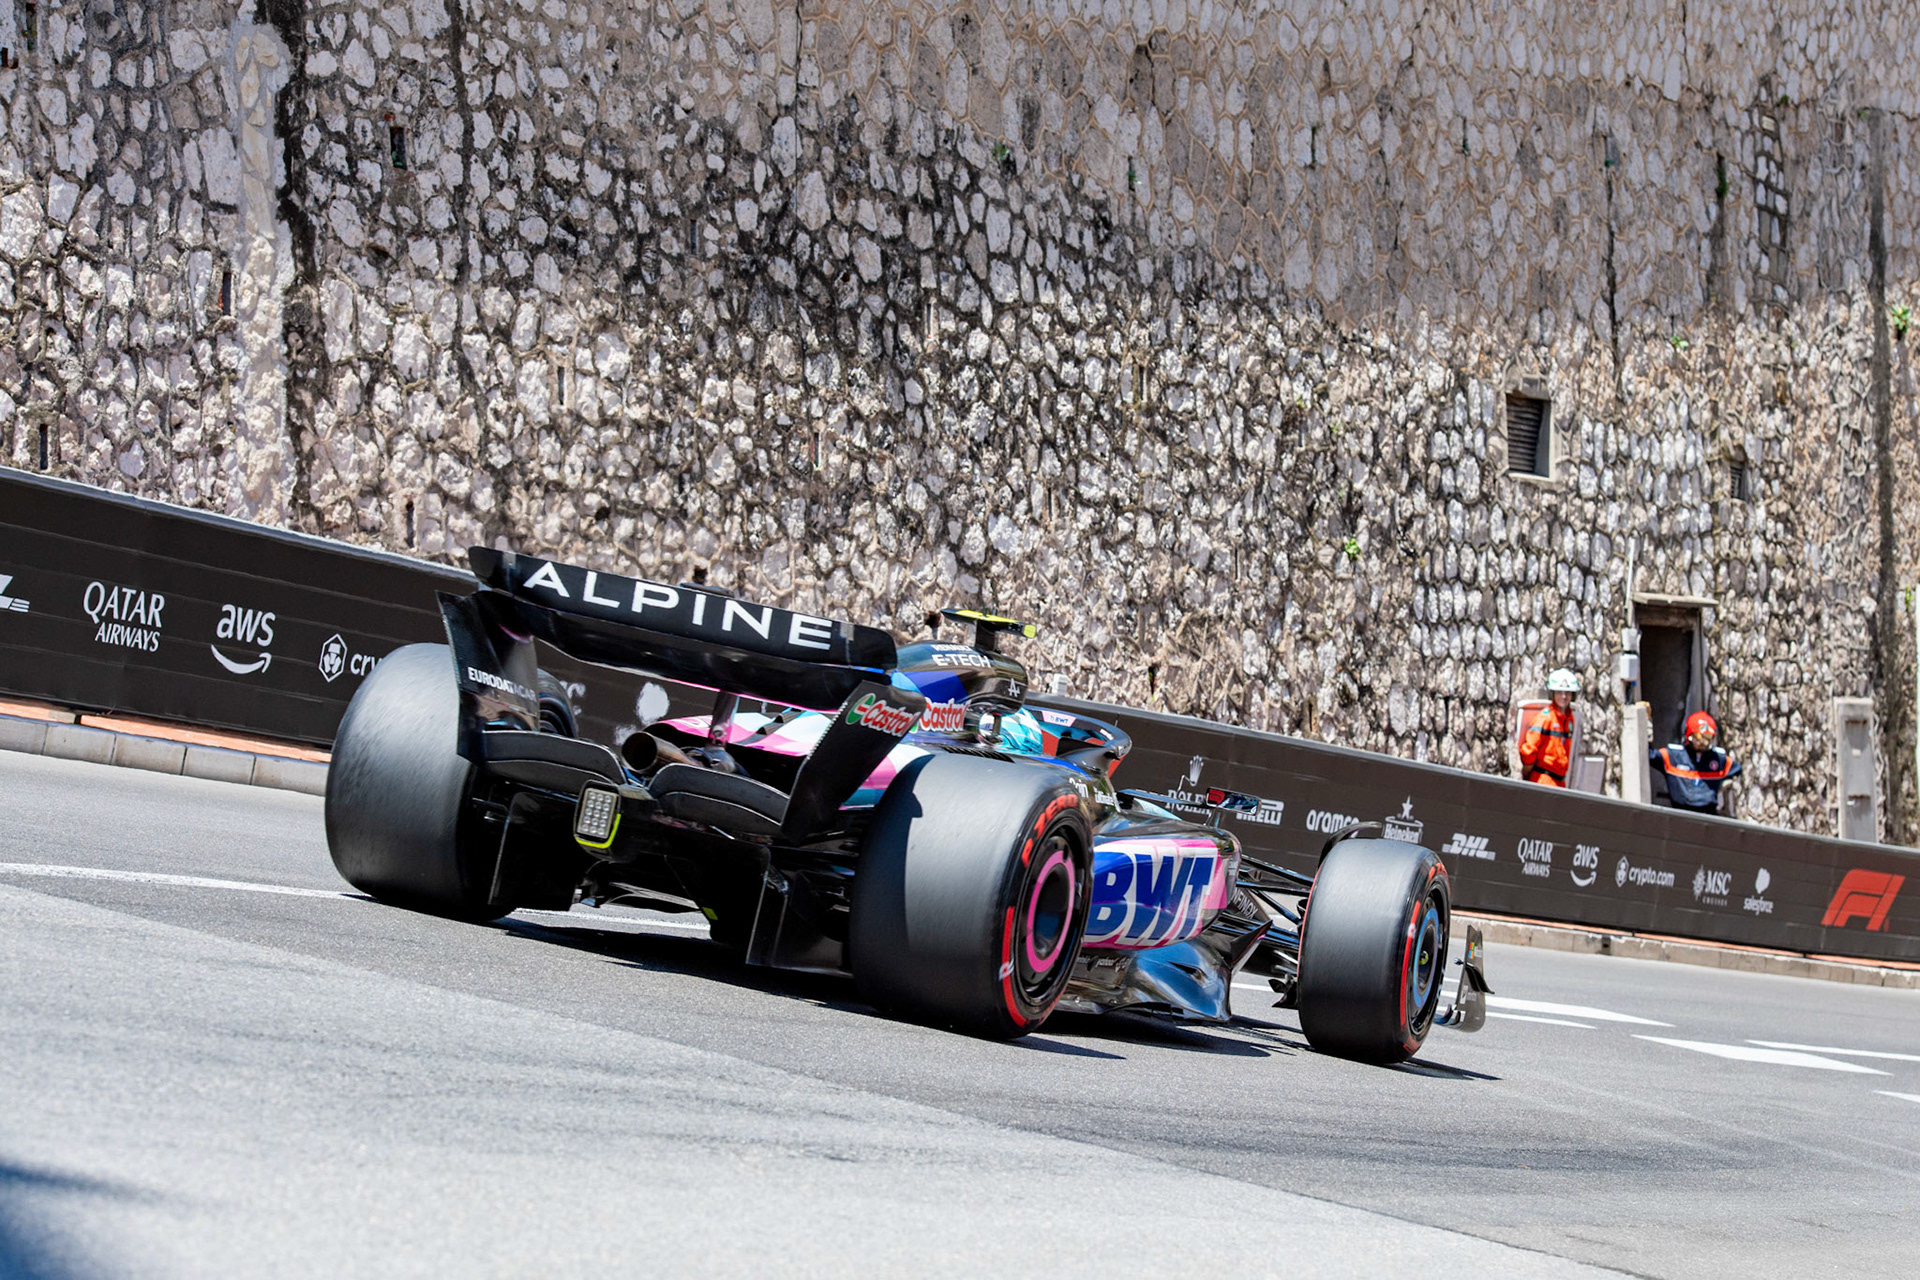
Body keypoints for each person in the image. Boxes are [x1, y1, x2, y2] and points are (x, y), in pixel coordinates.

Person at [1650, 710, 1742, 813]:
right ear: (1689, 735)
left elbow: (1737, 769)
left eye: (1707, 738)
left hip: (1708, 814)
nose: (1702, 743)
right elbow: (1650, 755)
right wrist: (1646, 733)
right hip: (1680, 812)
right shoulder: (1673, 756)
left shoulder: (1718, 758)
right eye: (1698, 738)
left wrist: (1722, 784)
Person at [1518, 668, 1580, 786]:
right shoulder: (1545, 718)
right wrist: (1527, 775)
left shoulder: (1569, 719)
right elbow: (1529, 751)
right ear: (1553, 694)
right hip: (1543, 780)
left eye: (1567, 693)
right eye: (1559, 692)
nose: (1564, 696)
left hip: (1560, 782)